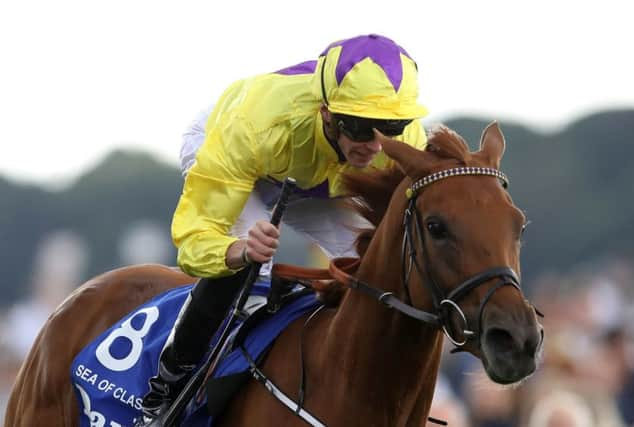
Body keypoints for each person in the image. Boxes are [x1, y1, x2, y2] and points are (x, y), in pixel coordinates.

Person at [138, 33, 429, 423]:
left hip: (320, 176)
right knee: (251, 266)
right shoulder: (253, 126)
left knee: (375, 264)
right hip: (237, 149)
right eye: (361, 127)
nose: (376, 146)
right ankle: (166, 388)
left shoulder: (405, 142)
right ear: (328, 113)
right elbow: (194, 239)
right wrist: (237, 251)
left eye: (390, 126)